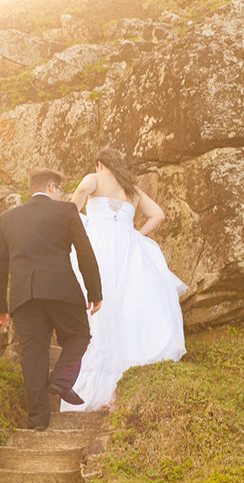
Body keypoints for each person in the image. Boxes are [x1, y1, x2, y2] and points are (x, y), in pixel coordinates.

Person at [61, 149, 187, 412]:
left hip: (100, 245)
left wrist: (72, 220)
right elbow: (158, 215)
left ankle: (93, 385)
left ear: (99, 164)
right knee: (131, 306)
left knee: (100, 310)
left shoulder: (94, 178)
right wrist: (137, 234)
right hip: (129, 248)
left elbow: (79, 195)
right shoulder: (132, 190)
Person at [0, 169, 103, 431]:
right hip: (61, 291)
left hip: (24, 296)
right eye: (60, 189)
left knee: (32, 356)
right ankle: (62, 378)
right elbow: (85, 252)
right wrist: (94, 292)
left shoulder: (8, 218)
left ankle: (38, 421)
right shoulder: (65, 212)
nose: (61, 194)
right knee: (79, 336)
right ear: (52, 187)